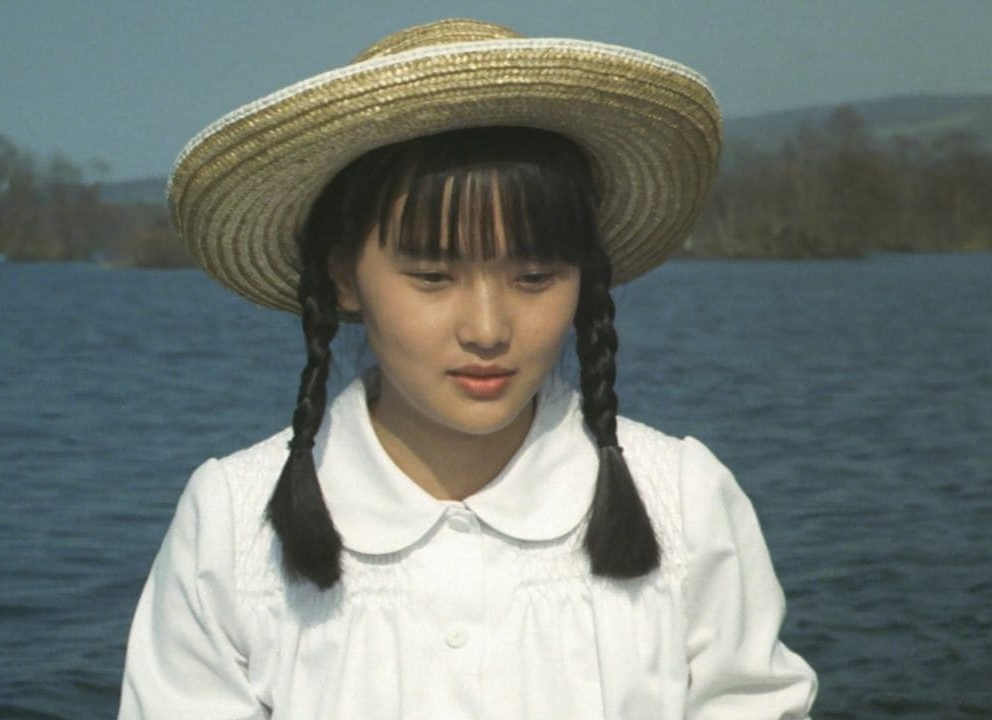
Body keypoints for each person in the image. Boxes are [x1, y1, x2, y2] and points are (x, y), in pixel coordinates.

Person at [120, 18, 817, 720]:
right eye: (433, 276)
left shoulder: (685, 504)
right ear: (344, 278)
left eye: (535, 276)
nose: (487, 329)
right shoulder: (233, 525)